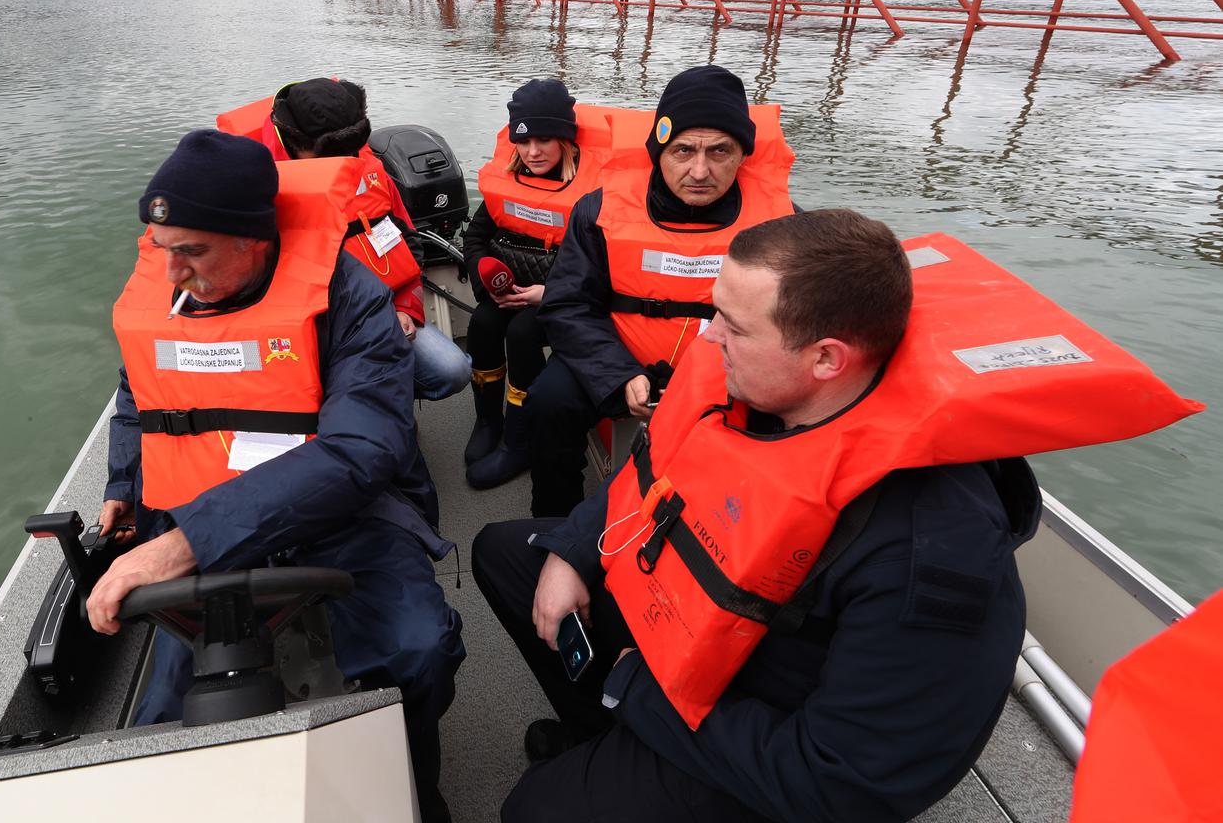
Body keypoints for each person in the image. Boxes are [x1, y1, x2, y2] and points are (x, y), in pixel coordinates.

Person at [474, 209, 1199, 822]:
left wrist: (637, 691)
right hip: (689, 621)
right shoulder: (758, 391)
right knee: (507, 558)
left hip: (770, 718)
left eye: (732, 326)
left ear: (826, 359)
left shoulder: (929, 550)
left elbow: (845, 778)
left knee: (533, 809)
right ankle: (604, 735)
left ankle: (623, 737)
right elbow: (651, 470)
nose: (709, 338)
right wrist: (574, 550)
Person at [87, 129, 464, 822]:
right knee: (161, 716)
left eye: (192, 252)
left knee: (421, 649)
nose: (172, 272)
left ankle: (413, 776)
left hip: (340, 512)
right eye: (163, 249)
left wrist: (185, 543)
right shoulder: (165, 292)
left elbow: (362, 451)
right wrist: (122, 485)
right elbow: (138, 392)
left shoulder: (349, 299)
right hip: (200, 504)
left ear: (254, 239)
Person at [525, 64, 794, 517]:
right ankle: (554, 519)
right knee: (549, 403)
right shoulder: (598, 212)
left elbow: (794, 328)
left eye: (720, 151)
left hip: (729, 374)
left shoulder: (784, 227)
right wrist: (619, 375)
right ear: (659, 150)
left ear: (742, 155)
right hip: (618, 358)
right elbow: (567, 304)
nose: (700, 170)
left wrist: (722, 380)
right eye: (683, 150)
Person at [218, 78, 471, 401]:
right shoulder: (247, 183)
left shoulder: (366, 164)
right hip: (303, 326)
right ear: (294, 142)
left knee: (452, 371)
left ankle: (383, 397)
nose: (346, 168)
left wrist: (406, 308)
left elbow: (407, 241)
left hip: (382, 308)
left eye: (351, 155)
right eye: (333, 158)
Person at [462, 78, 611, 489]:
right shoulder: (507, 180)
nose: (532, 152)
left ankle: (520, 438)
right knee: (483, 324)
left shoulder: (592, 191)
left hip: (561, 297)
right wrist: (487, 282)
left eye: (544, 139)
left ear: (566, 140)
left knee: (524, 333)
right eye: (523, 141)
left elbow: (602, 263)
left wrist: (550, 293)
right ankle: (488, 420)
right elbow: (474, 240)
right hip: (508, 290)